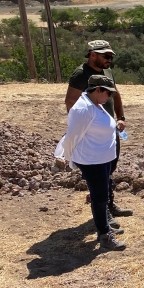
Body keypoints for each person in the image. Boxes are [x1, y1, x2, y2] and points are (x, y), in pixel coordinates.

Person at [65, 40, 133, 228]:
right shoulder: (81, 74)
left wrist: (121, 117)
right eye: (106, 56)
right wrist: (84, 129)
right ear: (93, 54)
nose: (109, 60)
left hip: (109, 130)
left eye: (111, 56)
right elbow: (71, 102)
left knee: (110, 169)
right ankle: (104, 215)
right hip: (93, 134)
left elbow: (116, 95)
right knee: (98, 175)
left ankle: (109, 206)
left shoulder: (107, 72)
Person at [56, 75, 126, 250]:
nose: (110, 96)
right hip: (92, 160)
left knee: (103, 195)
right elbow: (71, 136)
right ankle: (105, 236)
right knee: (99, 198)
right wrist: (68, 158)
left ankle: (105, 228)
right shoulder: (83, 109)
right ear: (97, 90)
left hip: (102, 159)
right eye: (108, 92)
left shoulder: (96, 104)